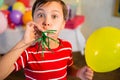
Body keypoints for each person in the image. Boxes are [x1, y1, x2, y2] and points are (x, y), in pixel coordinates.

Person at [0, 0, 94, 80]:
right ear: (33, 20)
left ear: (63, 24)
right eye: (40, 15)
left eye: (54, 16)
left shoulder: (67, 47)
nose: (47, 22)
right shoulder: (27, 51)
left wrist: (78, 73)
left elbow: (67, 67)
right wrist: (23, 43)